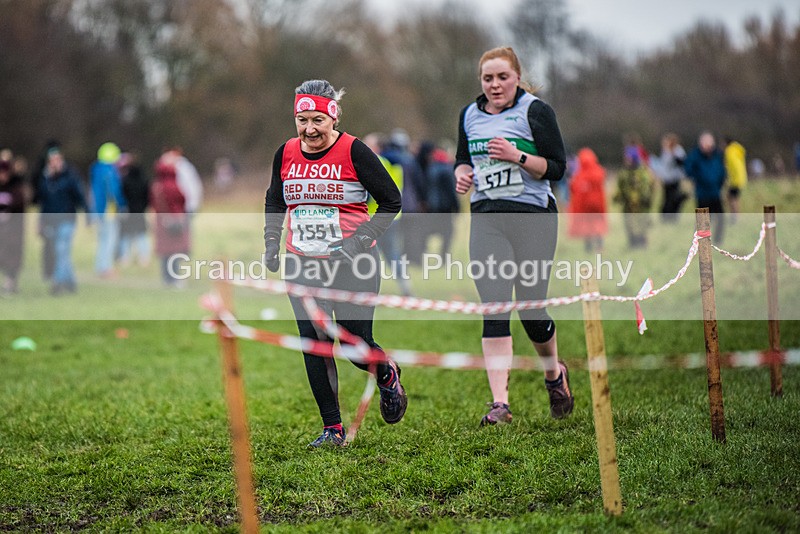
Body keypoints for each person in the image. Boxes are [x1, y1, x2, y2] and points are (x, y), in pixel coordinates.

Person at [263, 79, 408, 447]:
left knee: (354, 344)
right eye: (301, 120)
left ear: (333, 116)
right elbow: (275, 199)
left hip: (352, 263)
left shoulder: (354, 151)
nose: (309, 129)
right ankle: (332, 429)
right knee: (314, 342)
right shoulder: (285, 153)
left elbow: (391, 201)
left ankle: (387, 374)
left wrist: (359, 241)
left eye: (317, 120)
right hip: (302, 261)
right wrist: (270, 240)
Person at [454, 46, 572, 425]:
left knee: (532, 309)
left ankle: (554, 374)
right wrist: (462, 173)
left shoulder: (535, 111)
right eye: (487, 78)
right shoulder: (469, 115)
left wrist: (516, 156)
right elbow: (463, 158)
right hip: (487, 217)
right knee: (494, 307)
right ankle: (499, 404)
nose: (495, 85)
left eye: (502, 77)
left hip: (533, 217)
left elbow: (556, 169)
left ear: (517, 77)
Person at [363, 132, 413, 297]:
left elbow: (368, 192)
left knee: (369, 254)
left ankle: (368, 289)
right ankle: (405, 286)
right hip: (393, 217)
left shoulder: (374, 162)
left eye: (367, 143)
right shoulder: (394, 164)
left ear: (377, 147)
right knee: (392, 254)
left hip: (374, 216)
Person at [34, 147, 88, 295]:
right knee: (60, 253)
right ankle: (71, 282)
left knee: (61, 249)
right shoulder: (45, 179)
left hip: (67, 219)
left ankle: (57, 283)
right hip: (51, 221)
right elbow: (42, 202)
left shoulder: (70, 176)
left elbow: (79, 196)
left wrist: (88, 212)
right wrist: (41, 221)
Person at [150, 158, 189, 288]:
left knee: (164, 252)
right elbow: (183, 200)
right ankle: (176, 278)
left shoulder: (156, 186)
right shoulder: (174, 185)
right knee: (176, 251)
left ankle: (166, 278)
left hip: (161, 221)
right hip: (175, 221)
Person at [89, 142, 127, 278]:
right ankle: (106, 268)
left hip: (97, 210)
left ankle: (101, 266)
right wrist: (122, 204)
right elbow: (113, 191)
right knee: (110, 239)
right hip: (108, 211)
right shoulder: (109, 172)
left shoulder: (96, 170)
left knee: (102, 239)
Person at [684, 131, 726, 244]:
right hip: (702, 193)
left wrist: (720, 183)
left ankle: (718, 241)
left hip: (715, 192)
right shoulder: (695, 155)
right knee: (703, 221)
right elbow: (688, 169)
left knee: (721, 218)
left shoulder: (717, 155)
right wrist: (697, 176)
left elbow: (722, 171)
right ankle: (699, 243)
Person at [567, 147, 607, 253]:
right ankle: (598, 247)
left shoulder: (580, 175)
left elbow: (573, 188)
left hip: (587, 208)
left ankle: (590, 248)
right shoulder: (598, 172)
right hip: (597, 207)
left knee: (588, 228)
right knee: (596, 227)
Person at [614, 146, 654, 248]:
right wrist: (618, 197)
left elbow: (648, 186)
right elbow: (620, 187)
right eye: (626, 158)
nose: (627, 161)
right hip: (628, 205)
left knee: (641, 225)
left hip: (641, 206)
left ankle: (642, 243)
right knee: (629, 225)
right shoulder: (624, 173)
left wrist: (645, 197)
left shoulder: (642, 172)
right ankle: (632, 244)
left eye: (629, 158)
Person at [117, 152, 151, 267]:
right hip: (140, 211)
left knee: (126, 236)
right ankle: (144, 257)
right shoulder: (144, 179)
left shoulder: (125, 180)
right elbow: (148, 196)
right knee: (141, 235)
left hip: (129, 210)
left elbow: (122, 195)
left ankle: (125, 257)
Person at [0, 158, 27, 295]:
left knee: (13, 257)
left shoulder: (15, 187)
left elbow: (19, 206)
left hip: (13, 230)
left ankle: (10, 283)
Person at [653, 133, 688, 222]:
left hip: (675, 179)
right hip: (666, 179)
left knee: (673, 199)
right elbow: (663, 165)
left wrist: (673, 154)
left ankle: (673, 218)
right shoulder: (665, 151)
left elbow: (682, 163)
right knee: (666, 199)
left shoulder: (678, 150)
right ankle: (665, 218)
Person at [723, 136, 747, 224]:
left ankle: (735, 217)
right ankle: (735, 216)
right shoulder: (737, 150)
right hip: (740, 178)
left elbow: (732, 166)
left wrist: (729, 178)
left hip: (734, 180)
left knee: (732, 199)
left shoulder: (730, 151)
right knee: (733, 198)